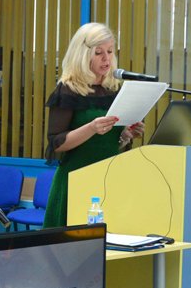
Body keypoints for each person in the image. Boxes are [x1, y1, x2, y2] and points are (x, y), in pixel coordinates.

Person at [43, 23, 144, 228]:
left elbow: (108, 143)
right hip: (76, 179)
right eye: (99, 53)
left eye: (110, 51)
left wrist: (126, 136)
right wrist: (91, 128)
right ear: (82, 55)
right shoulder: (68, 90)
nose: (107, 58)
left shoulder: (114, 90)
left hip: (109, 178)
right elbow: (57, 143)